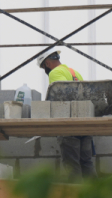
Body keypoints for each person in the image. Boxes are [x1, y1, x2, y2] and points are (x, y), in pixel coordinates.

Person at [37, 48, 97, 179]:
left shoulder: (55, 72)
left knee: (71, 166)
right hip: (85, 124)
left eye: (43, 68)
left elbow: (62, 99)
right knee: (86, 163)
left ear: (47, 64)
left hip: (69, 125)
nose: (45, 71)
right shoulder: (74, 72)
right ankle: (95, 196)